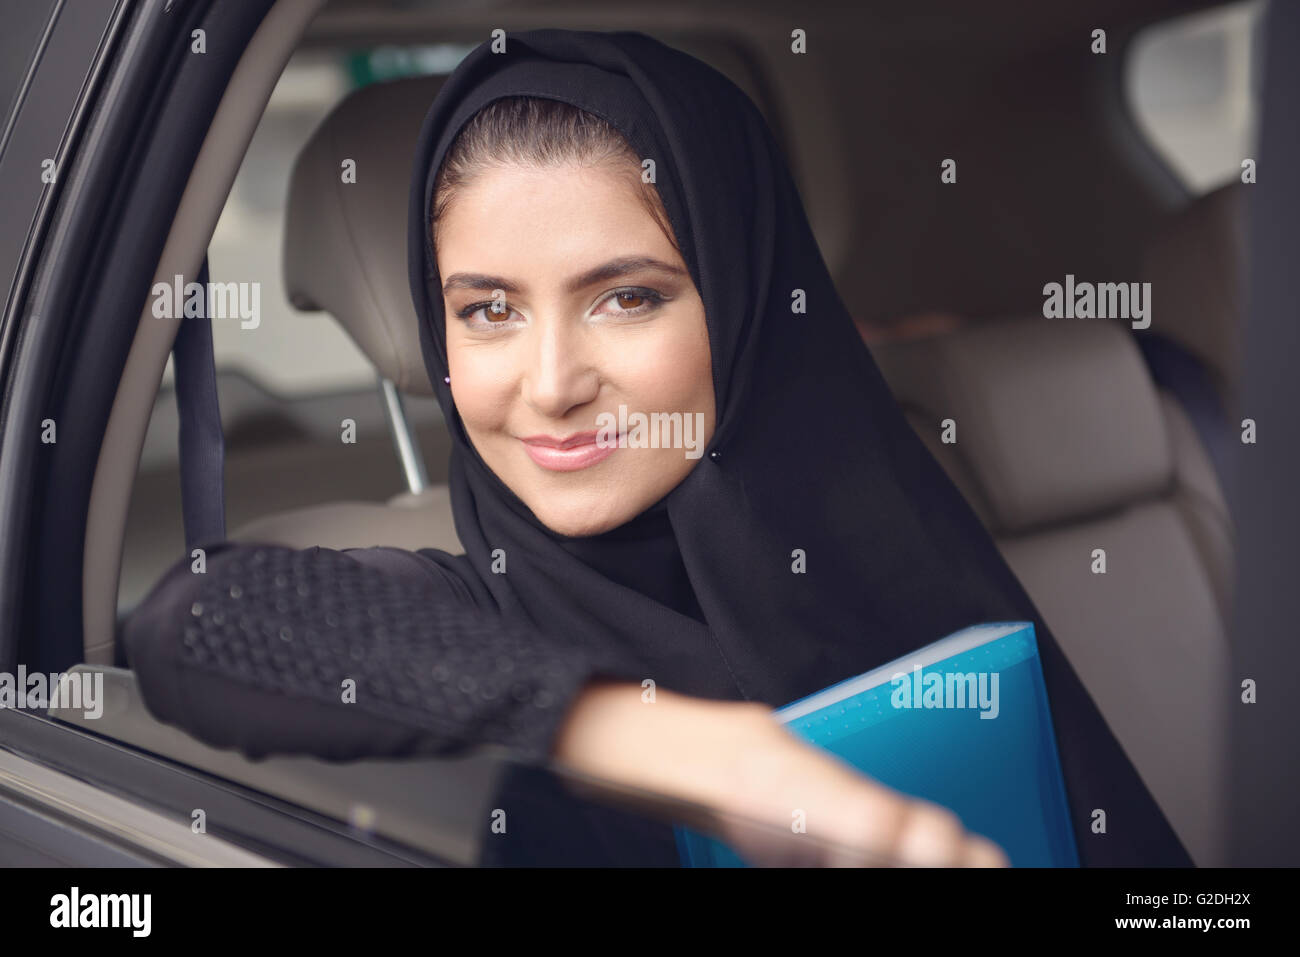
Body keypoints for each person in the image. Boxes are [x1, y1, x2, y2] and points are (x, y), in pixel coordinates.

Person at [124, 28, 1192, 868]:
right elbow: (194, 620)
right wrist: (691, 751)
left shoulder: (902, 552)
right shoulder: (464, 616)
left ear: (740, 305)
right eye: (488, 311)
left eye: (626, 298)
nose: (549, 385)